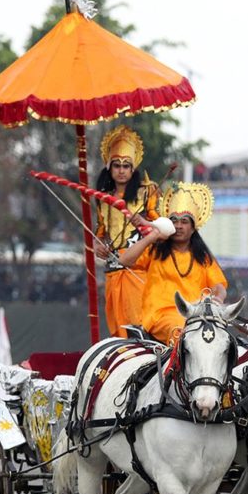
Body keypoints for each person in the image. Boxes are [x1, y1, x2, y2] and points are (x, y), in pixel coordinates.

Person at [120, 182, 227, 344]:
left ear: (193, 227)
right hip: (161, 315)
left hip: (198, 316)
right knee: (184, 333)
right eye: (174, 221)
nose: (178, 226)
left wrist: (218, 299)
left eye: (184, 221)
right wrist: (153, 235)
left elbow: (219, 286)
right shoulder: (155, 250)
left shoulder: (203, 257)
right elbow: (124, 261)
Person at [94, 125, 160, 338]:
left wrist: (144, 222)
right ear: (109, 168)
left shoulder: (146, 192)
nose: (121, 170)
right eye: (117, 165)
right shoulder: (102, 199)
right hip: (112, 274)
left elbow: (161, 227)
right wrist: (98, 245)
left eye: (126, 166)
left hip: (137, 270)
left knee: (136, 331)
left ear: (133, 169)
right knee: (117, 333)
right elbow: (101, 232)